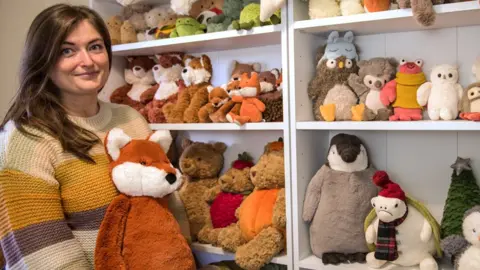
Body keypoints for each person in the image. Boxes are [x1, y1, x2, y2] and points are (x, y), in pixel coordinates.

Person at [0, 4, 189, 269]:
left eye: (95, 47)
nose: (87, 61)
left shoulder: (130, 119)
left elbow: (166, 203)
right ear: (43, 60)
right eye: (67, 50)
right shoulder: (27, 137)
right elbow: (38, 255)